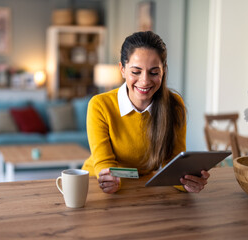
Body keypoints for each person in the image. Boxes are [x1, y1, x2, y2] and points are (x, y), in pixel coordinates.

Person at [82, 31, 210, 194]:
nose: (145, 81)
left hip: (143, 185)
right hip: (98, 185)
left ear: (163, 71)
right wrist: (111, 180)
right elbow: (104, 164)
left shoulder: (174, 105)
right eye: (136, 72)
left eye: (154, 72)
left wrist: (187, 182)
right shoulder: (100, 105)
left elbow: (173, 164)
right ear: (122, 69)